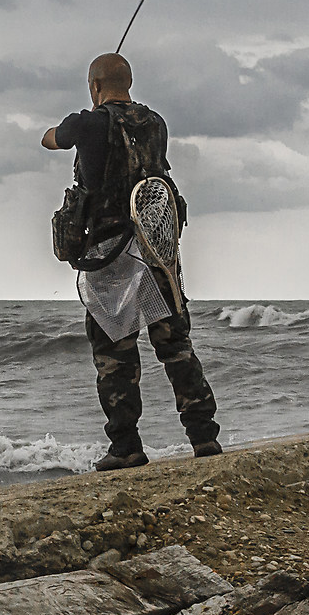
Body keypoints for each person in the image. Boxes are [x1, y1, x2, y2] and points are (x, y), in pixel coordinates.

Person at [40, 52, 223, 469]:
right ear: (130, 82)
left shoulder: (86, 124)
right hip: (157, 252)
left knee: (114, 355)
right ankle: (204, 439)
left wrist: (82, 120)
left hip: (111, 258)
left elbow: (50, 138)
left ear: (94, 86)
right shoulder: (156, 123)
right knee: (176, 347)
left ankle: (126, 447)